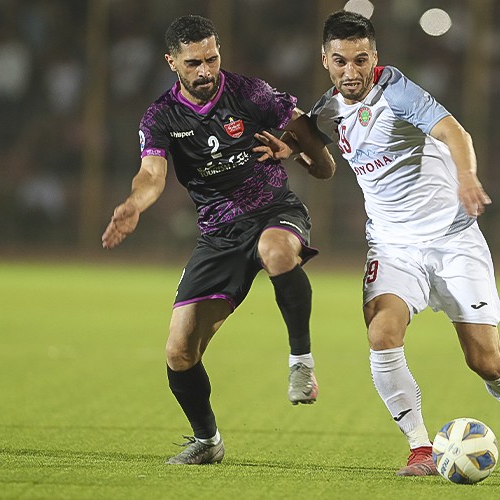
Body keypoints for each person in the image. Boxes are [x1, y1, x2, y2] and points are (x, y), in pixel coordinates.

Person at [267, 10, 500, 477]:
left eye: (361, 60)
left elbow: (454, 132)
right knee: (381, 334)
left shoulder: (397, 92)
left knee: (484, 360)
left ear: (375, 57)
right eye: (341, 61)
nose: (351, 71)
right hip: (392, 247)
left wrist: (467, 176)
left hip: (452, 239)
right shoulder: (327, 108)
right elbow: (317, 153)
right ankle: (420, 448)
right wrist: (294, 149)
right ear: (325, 60)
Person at [101, 15, 335, 465]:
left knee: (275, 250)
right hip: (218, 234)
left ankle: (301, 364)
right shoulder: (161, 116)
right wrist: (134, 204)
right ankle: (207, 441)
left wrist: (305, 157)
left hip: (274, 211)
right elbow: (151, 175)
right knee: (179, 351)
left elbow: (317, 153)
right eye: (194, 63)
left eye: (211, 59)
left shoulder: (251, 94)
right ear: (172, 62)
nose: (206, 70)